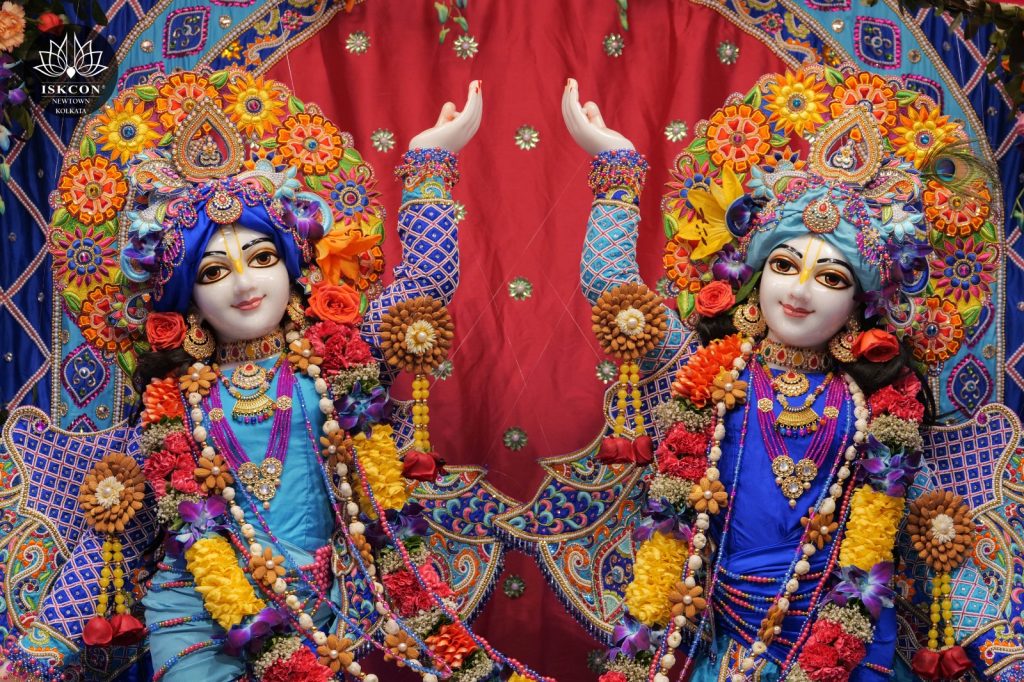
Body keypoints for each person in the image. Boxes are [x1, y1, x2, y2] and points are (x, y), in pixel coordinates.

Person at [2, 68, 545, 682]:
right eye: (213, 272)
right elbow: (121, 533)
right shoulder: (171, 408)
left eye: (262, 258)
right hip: (195, 619)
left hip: (315, 612)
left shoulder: (338, 362)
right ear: (185, 302)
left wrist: (429, 163)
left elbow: (426, 282)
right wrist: (34, 658)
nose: (244, 284)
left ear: (293, 268)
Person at [497, 66, 1021, 681]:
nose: (799, 291)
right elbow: (613, 291)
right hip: (725, 650)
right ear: (756, 274)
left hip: (846, 654)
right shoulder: (709, 378)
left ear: (859, 307)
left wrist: (1007, 657)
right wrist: (617, 167)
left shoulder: (876, 412)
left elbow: (938, 538)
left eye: (830, 277)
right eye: (784, 265)